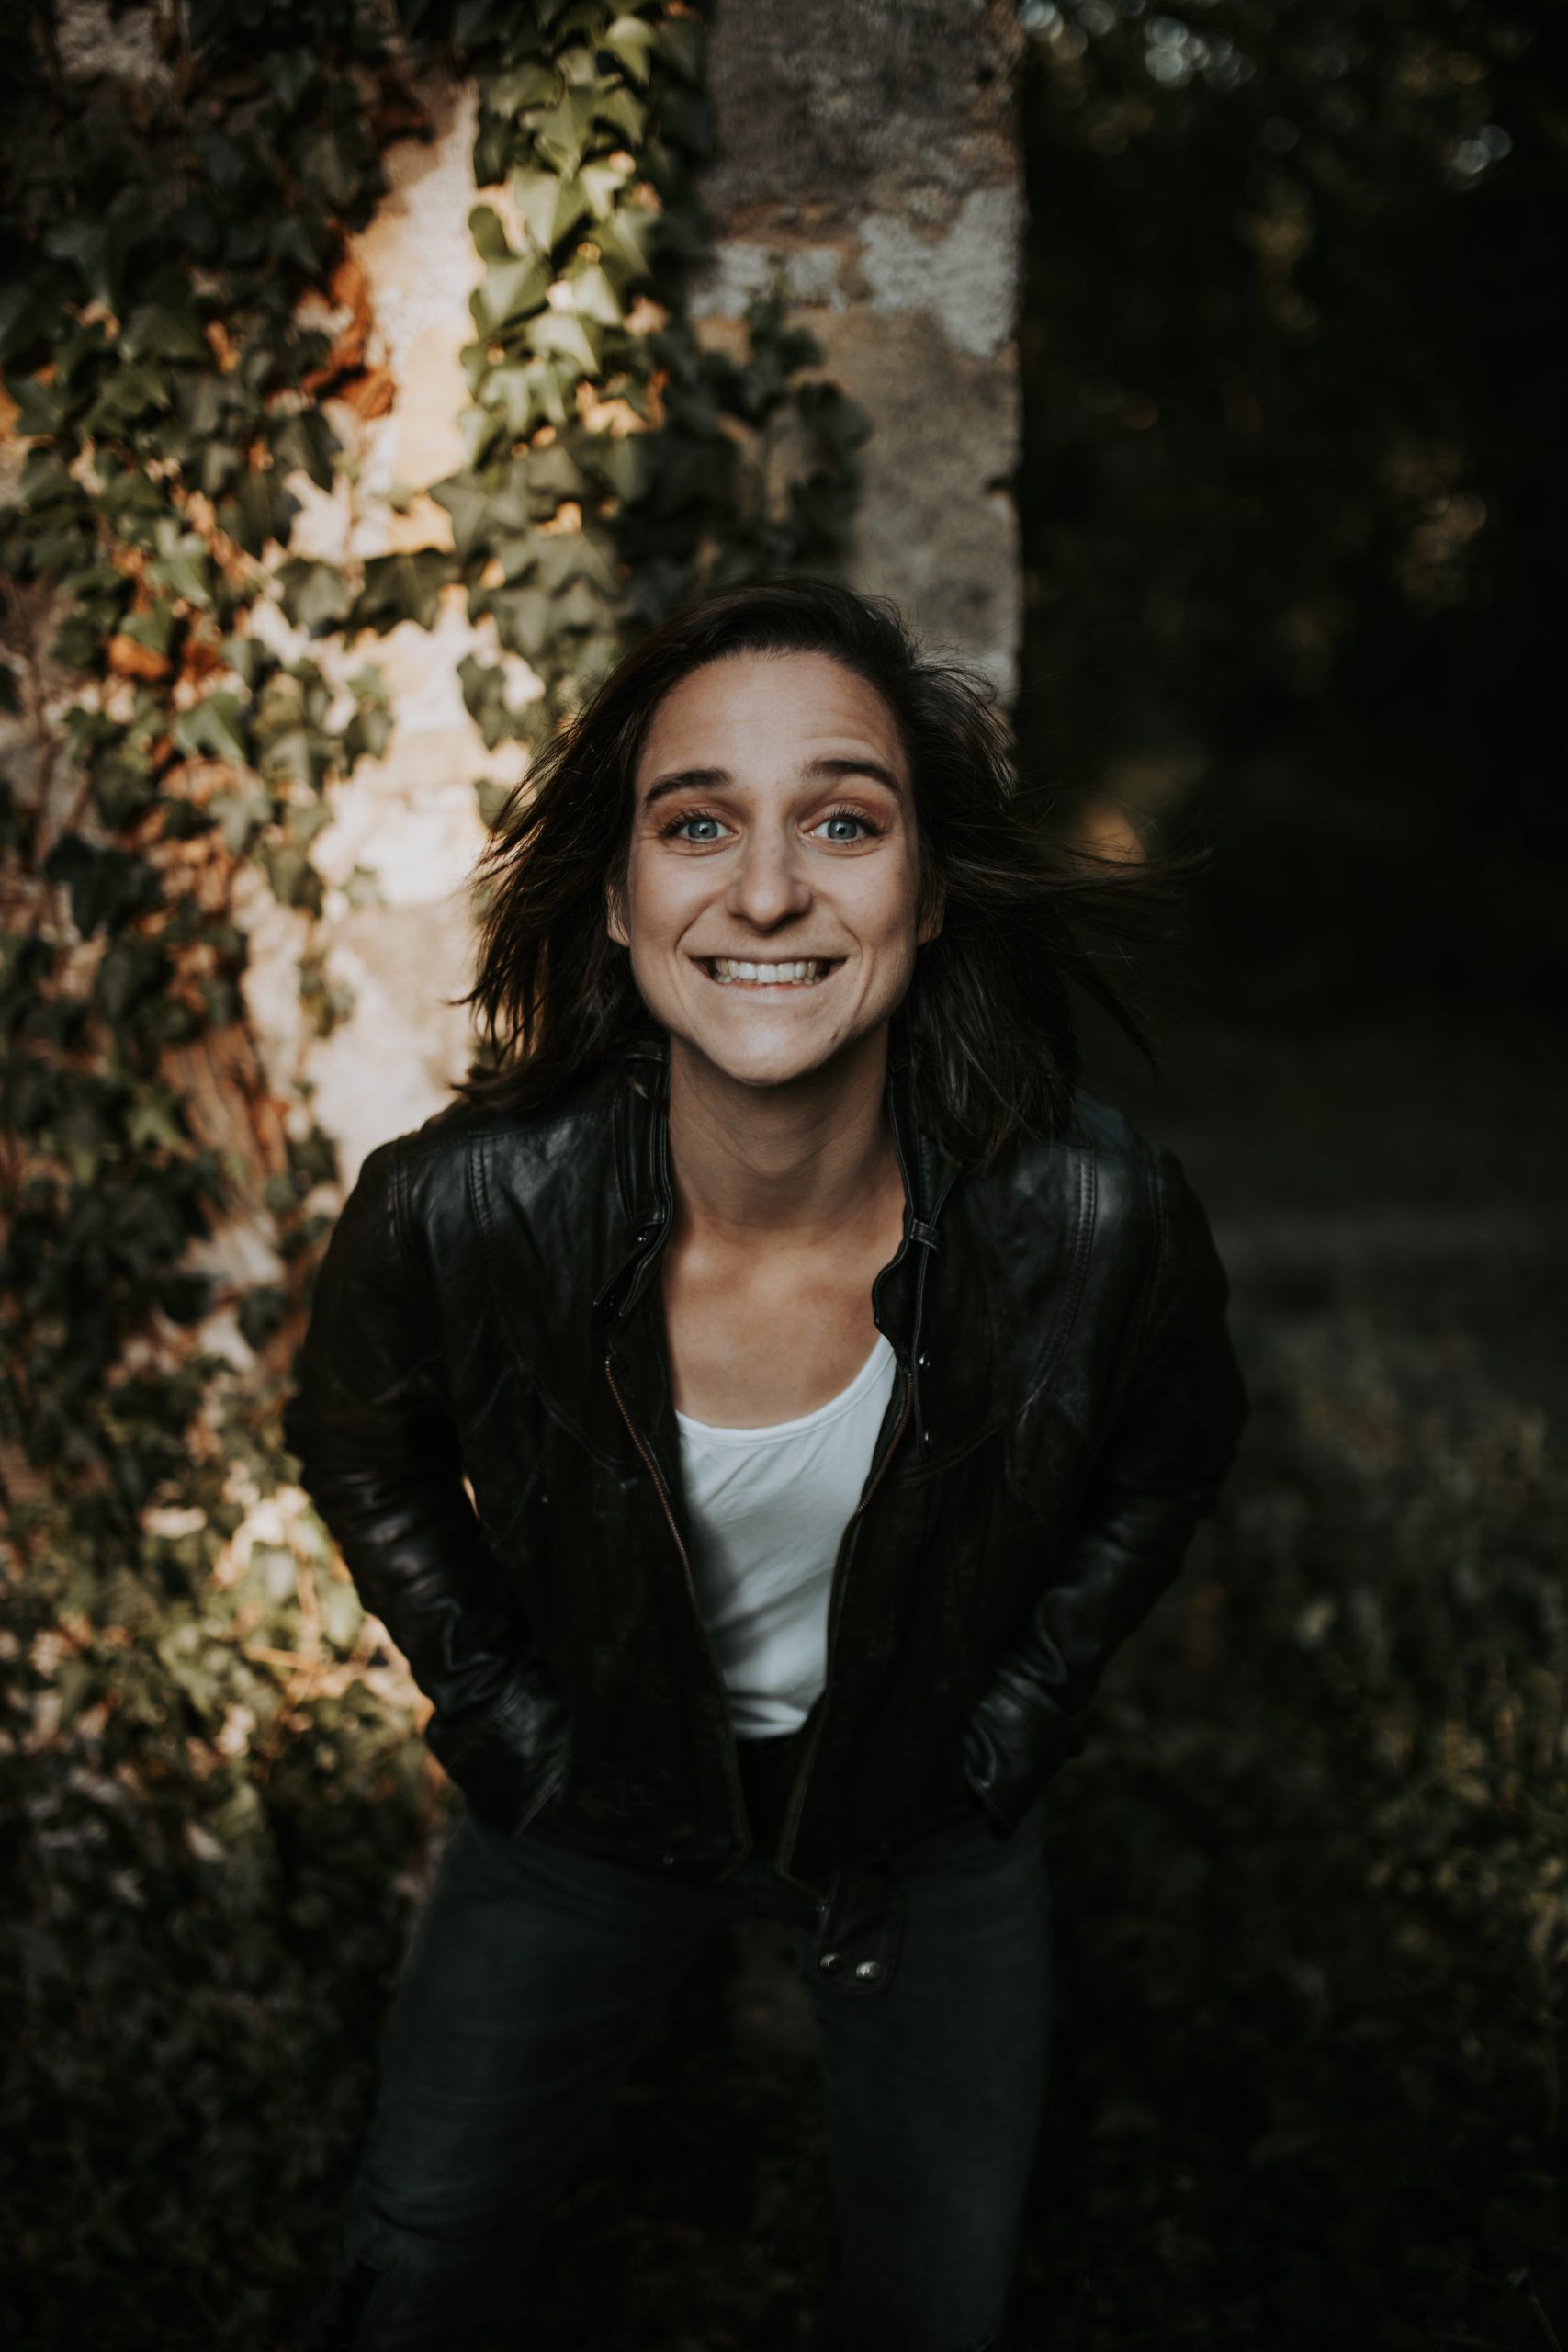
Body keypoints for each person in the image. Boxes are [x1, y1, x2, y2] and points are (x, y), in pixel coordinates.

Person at [285, 578, 1247, 2352]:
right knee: (415, 2267)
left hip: (923, 1818)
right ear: (621, 895)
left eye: (845, 822)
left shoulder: (1097, 1218)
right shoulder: (454, 1210)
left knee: (936, 2305)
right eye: (698, 823)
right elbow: (359, 1448)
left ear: (928, 892)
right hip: (587, 1795)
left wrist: (1017, 1713)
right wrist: (502, 1713)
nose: (770, 890)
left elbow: (1168, 1463)